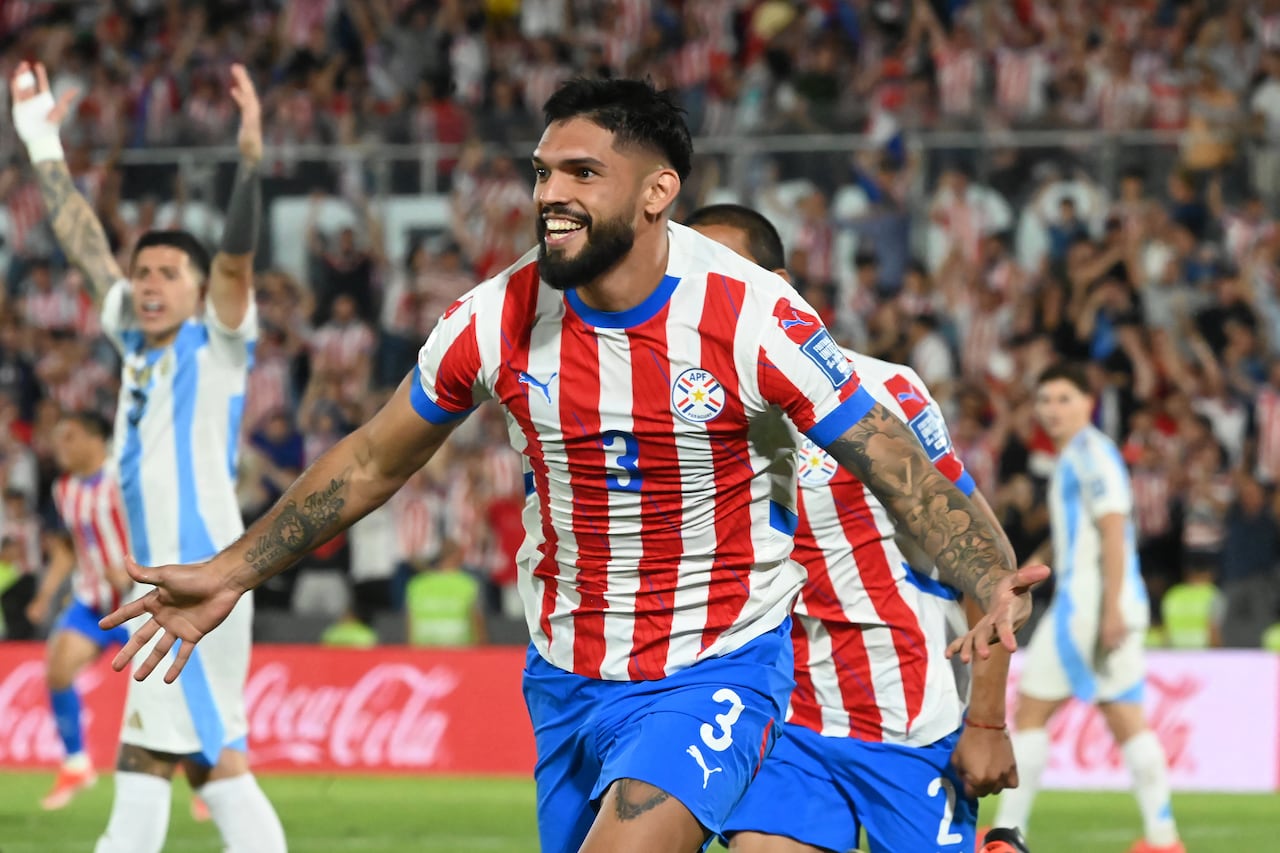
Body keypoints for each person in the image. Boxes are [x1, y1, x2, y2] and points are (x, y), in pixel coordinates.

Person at [102, 78, 1041, 853]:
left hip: (715, 662)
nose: (551, 193)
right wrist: (230, 570)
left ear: (655, 192)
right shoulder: (494, 319)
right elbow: (374, 459)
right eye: (544, 171)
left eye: (583, 173)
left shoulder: (749, 317)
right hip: (565, 671)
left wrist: (989, 575)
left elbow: (900, 469)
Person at [685, 203, 1032, 853]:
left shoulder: (881, 390)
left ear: (777, 285)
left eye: (721, 274)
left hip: (904, 717)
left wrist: (987, 718)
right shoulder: (686, 409)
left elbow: (982, 556)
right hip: (784, 717)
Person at [11, 62, 286, 853]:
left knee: (187, 755)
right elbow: (86, 244)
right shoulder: (133, 340)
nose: (150, 282)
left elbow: (234, 262)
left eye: (170, 272)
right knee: (197, 761)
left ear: (201, 292)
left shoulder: (220, 342)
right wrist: (39, 139)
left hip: (204, 575)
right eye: (145, 273)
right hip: (170, 580)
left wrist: (250, 167)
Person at [992, 363, 1183, 853]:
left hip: (1090, 604)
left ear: (1087, 404)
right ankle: (1163, 840)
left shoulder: (1092, 454)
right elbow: (1070, 535)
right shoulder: (1076, 456)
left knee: (1031, 711)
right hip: (1105, 601)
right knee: (1126, 718)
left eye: (1063, 399)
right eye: (1044, 400)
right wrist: (1026, 572)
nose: (1051, 410)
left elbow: (1114, 528)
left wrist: (1111, 608)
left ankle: (1006, 837)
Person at [23, 411, 130, 809]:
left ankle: (209, 774)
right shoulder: (64, 489)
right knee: (58, 669)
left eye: (68, 438)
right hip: (92, 602)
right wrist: (46, 594)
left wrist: (137, 564)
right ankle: (76, 763)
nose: (59, 447)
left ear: (93, 439)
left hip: (141, 602)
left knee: (173, 692)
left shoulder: (127, 476)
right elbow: (70, 546)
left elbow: (163, 527)